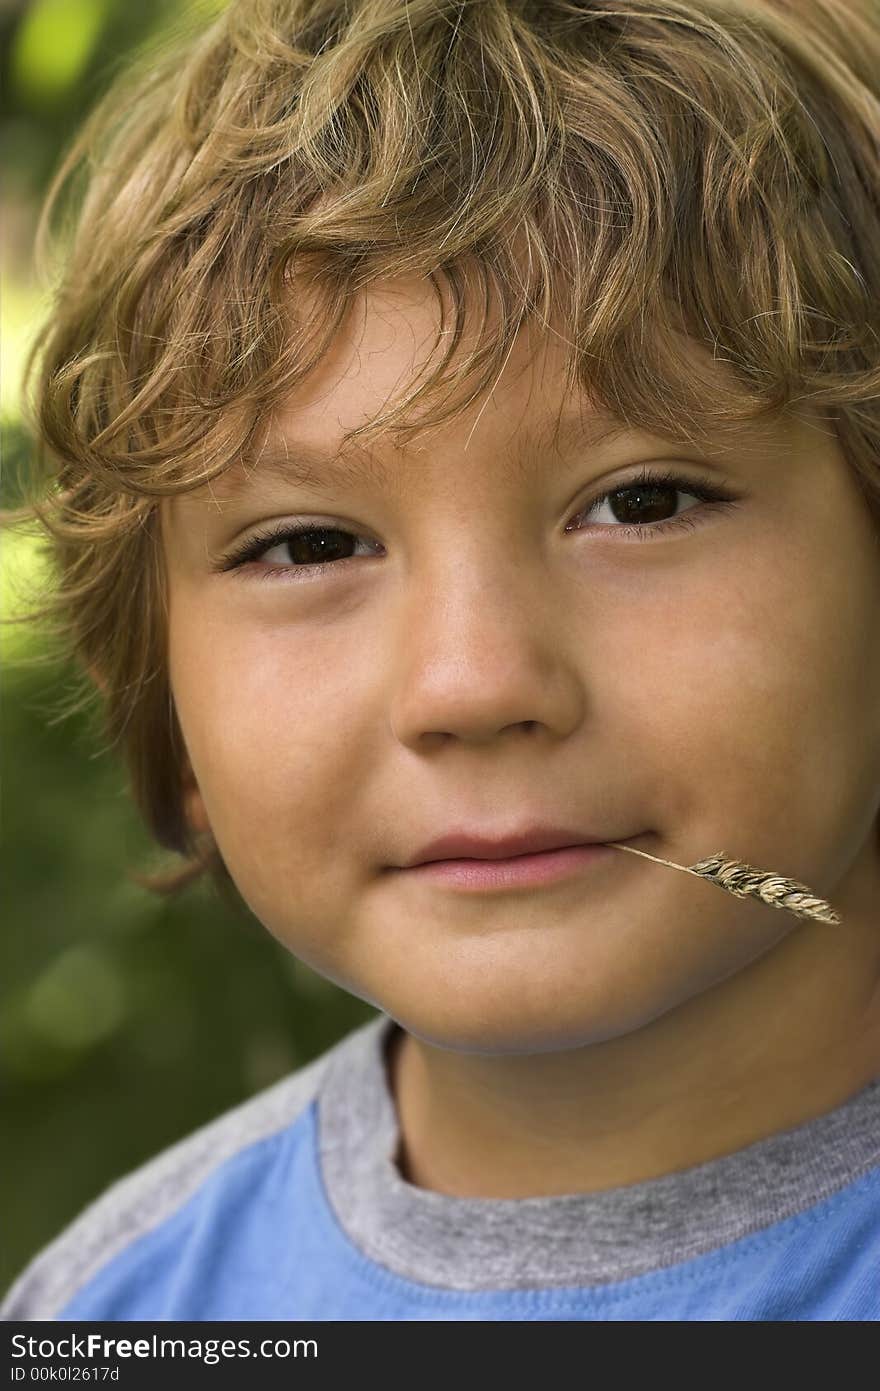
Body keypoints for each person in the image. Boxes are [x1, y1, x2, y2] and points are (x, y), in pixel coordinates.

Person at [2, 0, 879, 1322]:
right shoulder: (120, 1315)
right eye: (305, 545)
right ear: (169, 714)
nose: (472, 686)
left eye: (641, 503)